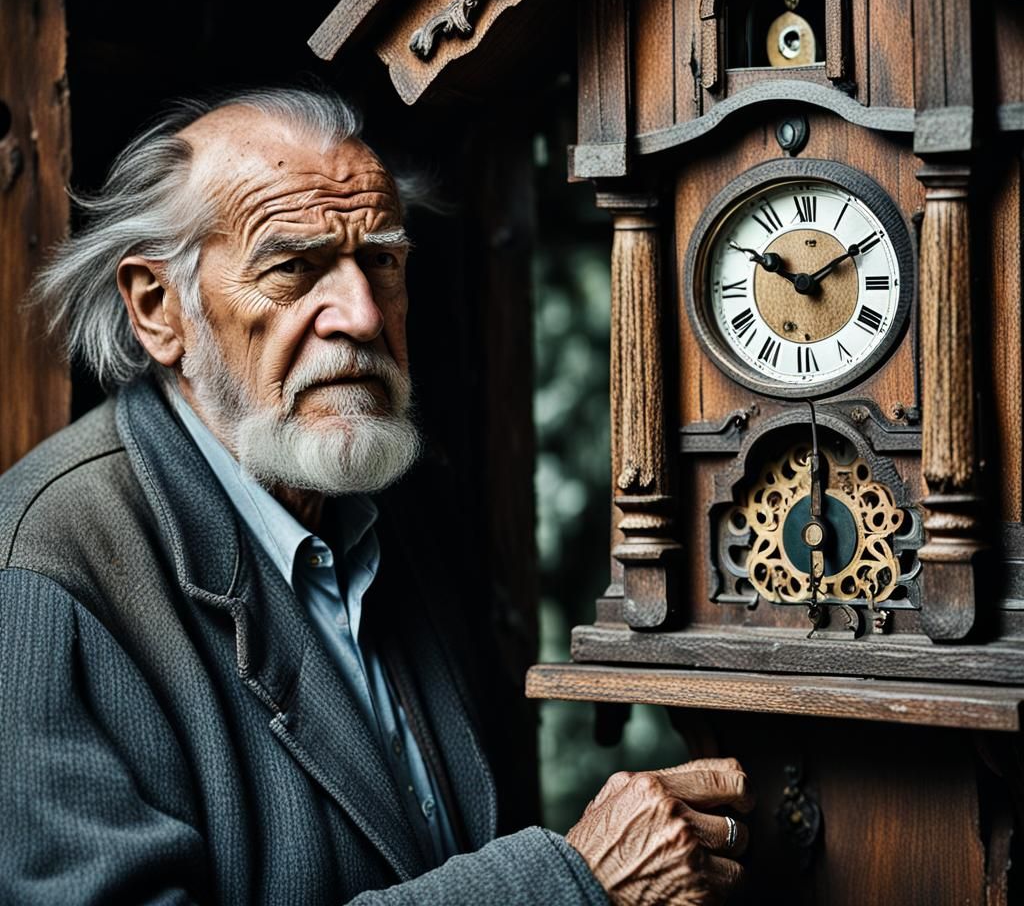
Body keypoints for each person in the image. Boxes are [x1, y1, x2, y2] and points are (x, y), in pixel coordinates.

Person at [0, 85, 752, 904]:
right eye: (295, 269)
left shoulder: (395, 506)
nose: (361, 315)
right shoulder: (40, 577)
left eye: (383, 262)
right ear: (159, 309)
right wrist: (568, 886)